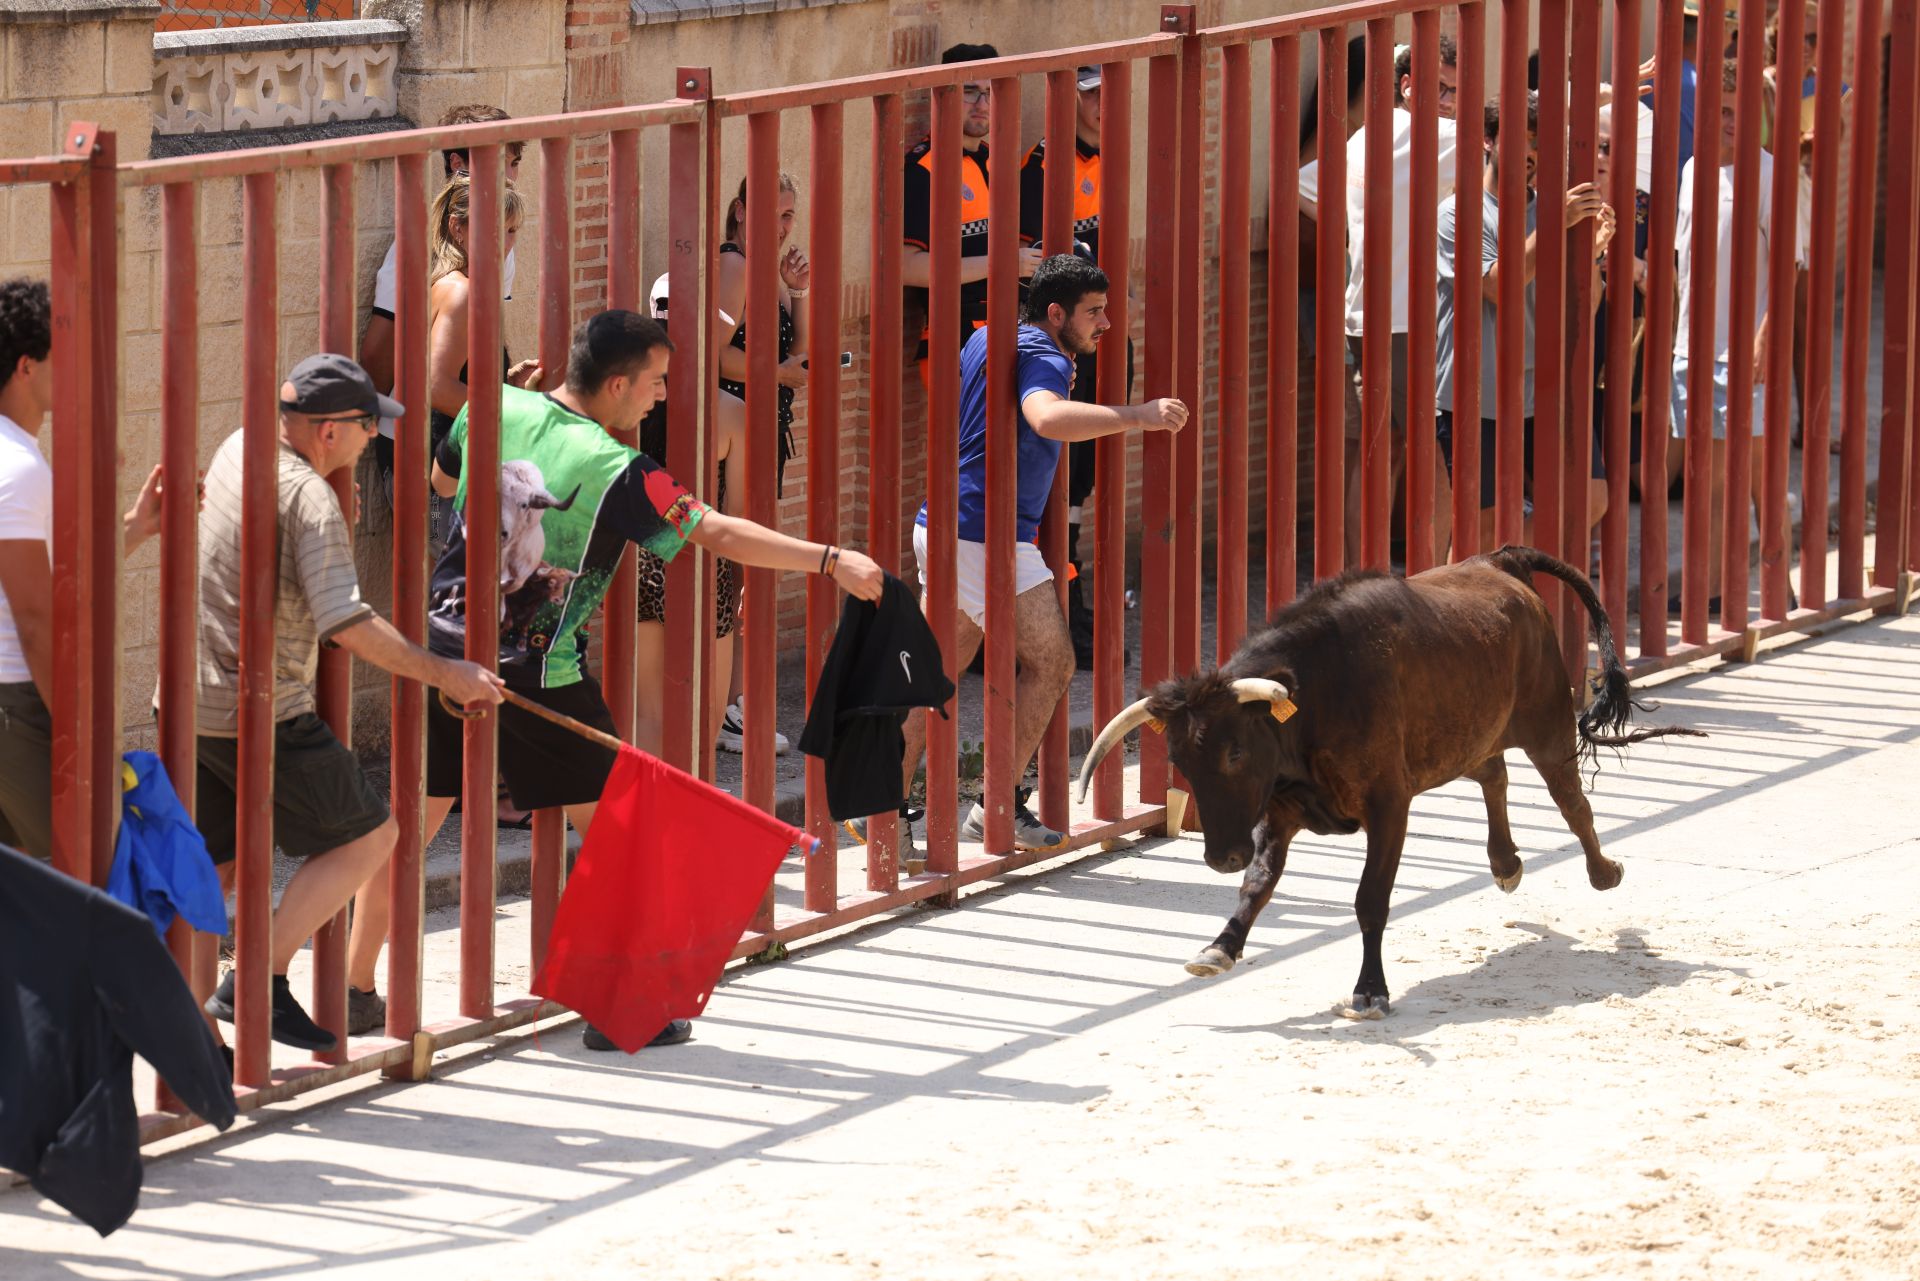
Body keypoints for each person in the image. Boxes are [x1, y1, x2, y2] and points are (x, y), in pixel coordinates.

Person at [424, 310, 883, 1052]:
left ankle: (336, 989)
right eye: (656, 381)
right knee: (625, 835)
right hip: (539, 674)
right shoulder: (617, 467)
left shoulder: (498, 404)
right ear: (615, 384)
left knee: (403, 832)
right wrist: (829, 559)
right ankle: (618, 1008)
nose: (663, 396)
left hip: (444, 649)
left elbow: (440, 477)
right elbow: (717, 531)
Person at [194, 354, 506, 1051]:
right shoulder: (309, 497)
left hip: (190, 702)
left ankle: (192, 1029)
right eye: (369, 427)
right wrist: (445, 672)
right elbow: (350, 622)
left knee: (212, 871)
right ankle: (256, 980)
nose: (375, 441)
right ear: (329, 430)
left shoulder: (236, 449)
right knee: (372, 835)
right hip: (261, 708)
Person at [852, 255, 1187, 860]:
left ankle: (883, 812)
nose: (1105, 324)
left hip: (951, 526)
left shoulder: (989, 335)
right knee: (1055, 661)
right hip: (984, 536)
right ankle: (995, 804)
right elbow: (1045, 416)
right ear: (1055, 313)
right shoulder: (1046, 355)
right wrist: (1138, 416)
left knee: (935, 678)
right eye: (1093, 313)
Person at [0, 279, 170, 863]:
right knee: (102, 868)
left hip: (12, 701)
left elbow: (50, 578)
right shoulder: (19, 470)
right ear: (27, 366)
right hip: (19, 703)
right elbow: (34, 621)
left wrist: (134, 526)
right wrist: (75, 731)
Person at [1299, 33, 1458, 563]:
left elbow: (1303, 185)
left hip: (1368, 313)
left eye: (1456, 92)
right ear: (1408, 86)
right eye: (1442, 89)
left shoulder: (1363, 139)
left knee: (1377, 455)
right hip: (1412, 320)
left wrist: (1357, 232)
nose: (1449, 103)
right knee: (1428, 453)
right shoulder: (1439, 137)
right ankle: (1428, 576)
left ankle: (1366, 577)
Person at [1435, 93, 1613, 556]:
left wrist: (1591, 254)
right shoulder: (1460, 213)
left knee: (1589, 498)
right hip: (1480, 393)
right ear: (1489, 141)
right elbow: (1497, 286)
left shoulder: (1555, 209)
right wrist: (1556, 226)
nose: (1533, 152)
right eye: (1523, 139)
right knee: (1480, 527)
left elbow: (1586, 307)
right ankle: (1469, 610)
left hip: (1543, 390)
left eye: (1541, 141)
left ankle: (1504, 576)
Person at [1017, 65, 1133, 671]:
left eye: (1108, 94)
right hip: (1064, 343)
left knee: (1082, 484)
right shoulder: (1037, 169)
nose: (1100, 106)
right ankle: (1065, 610)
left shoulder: (1113, 159)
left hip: (1104, 336)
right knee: (1055, 483)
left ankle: (1075, 606)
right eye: (1089, 95)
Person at [359, 103, 523, 480]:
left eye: (515, 163)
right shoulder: (418, 243)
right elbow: (379, 349)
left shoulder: (500, 242)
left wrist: (504, 381)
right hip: (419, 445)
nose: (511, 176)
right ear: (456, 164)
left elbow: (480, 339)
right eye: (501, 162)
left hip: (465, 436)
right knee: (433, 538)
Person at [710, 170, 810, 754]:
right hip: (735, 430)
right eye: (774, 212)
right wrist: (777, 375)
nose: (783, 225)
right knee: (737, 561)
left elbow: (798, 353)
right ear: (743, 210)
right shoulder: (734, 266)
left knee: (750, 563)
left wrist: (796, 291)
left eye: (790, 214)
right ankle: (726, 706)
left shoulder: (765, 270)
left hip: (767, 427)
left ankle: (734, 699)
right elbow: (714, 355)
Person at [1671, 59, 1773, 610]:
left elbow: (1787, 267)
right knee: (1704, 481)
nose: (1732, 121)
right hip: (1691, 350)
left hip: (1739, 355)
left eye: (1742, 111)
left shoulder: (1768, 174)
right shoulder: (1692, 171)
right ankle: (1706, 594)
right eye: (1724, 110)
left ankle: (1775, 587)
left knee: (1753, 481)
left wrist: (1761, 338)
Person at [903, 43, 1045, 394]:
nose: (982, 104)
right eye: (970, 91)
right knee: (967, 450)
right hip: (955, 338)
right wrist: (1002, 264)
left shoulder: (994, 161)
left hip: (1010, 331)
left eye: (989, 92)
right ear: (945, 92)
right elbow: (906, 267)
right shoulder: (924, 167)